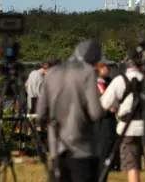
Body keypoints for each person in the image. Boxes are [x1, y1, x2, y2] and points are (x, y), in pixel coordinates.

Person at [37, 39, 103, 182]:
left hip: (57, 146)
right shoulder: (88, 72)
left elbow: (41, 113)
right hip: (82, 148)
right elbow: (95, 113)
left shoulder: (52, 72)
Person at [100, 50, 145, 182]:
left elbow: (105, 104)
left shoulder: (119, 81)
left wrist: (118, 106)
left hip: (127, 128)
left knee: (133, 167)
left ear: (126, 64)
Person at [95, 62, 120, 175]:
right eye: (104, 68)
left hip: (110, 115)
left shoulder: (110, 81)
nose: (107, 70)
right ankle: (103, 164)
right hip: (102, 115)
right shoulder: (96, 82)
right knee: (103, 141)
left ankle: (114, 163)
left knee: (112, 140)